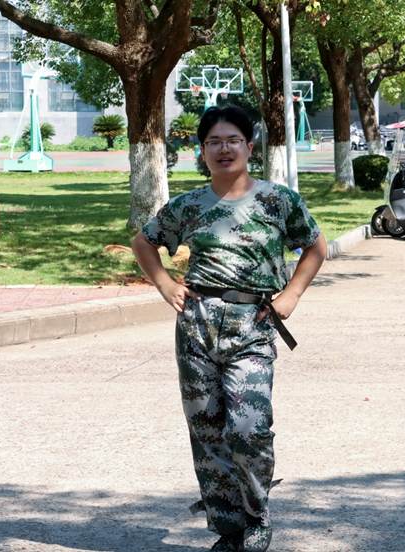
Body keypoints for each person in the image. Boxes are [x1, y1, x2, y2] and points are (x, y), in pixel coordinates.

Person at [131, 106, 328, 552]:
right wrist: (165, 283)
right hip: (197, 325)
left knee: (247, 428)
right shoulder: (189, 205)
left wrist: (292, 293)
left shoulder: (277, 200)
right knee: (206, 428)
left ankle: (257, 516)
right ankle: (230, 528)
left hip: (252, 323)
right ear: (203, 151)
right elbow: (144, 242)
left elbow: (315, 246)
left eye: (233, 140)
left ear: (249, 147)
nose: (224, 149)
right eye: (214, 142)